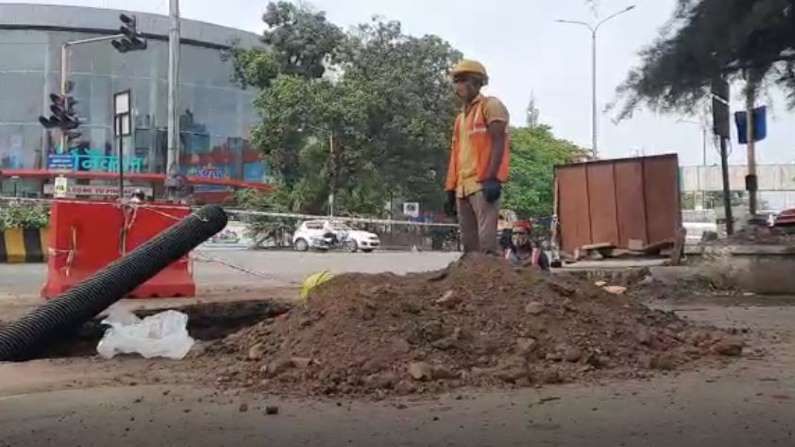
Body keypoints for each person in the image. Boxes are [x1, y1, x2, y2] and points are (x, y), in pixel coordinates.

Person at [444, 60, 510, 255]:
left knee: (487, 244)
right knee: (469, 246)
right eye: (455, 81)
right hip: (462, 188)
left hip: (483, 184)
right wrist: (450, 189)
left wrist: (492, 177)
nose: (457, 86)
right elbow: (455, 156)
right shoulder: (460, 119)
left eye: (462, 80)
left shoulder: (491, 106)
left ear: (476, 82)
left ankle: (494, 281)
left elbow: (499, 142)